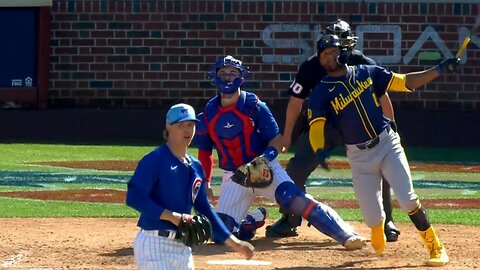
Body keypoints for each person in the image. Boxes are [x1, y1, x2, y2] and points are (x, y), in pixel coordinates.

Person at [307, 33, 457, 266]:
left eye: (334, 50)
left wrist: (439, 68)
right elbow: (316, 126)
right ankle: (377, 226)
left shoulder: (366, 72)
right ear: (320, 60)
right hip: (358, 156)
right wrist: (318, 149)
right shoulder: (320, 92)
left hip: (387, 144)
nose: (331, 55)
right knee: (372, 217)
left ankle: (435, 246)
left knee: (408, 200)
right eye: (325, 53)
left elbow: (406, 82)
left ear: (343, 51)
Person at [193, 55, 366, 250]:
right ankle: (253, 219)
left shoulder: (255, 106)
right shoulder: (208, 113)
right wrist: (205, 183)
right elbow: (205, 151)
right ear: (215, 77)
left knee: (292, 197)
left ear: (241, 77)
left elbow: (277, 141)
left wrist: (260, 162)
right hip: (235, 176)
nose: (227, 77)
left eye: (233, 73)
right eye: (223, 73)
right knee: (221, 234)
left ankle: (346, 234)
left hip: (263, 167)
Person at [266, 19, 401, 242]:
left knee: (382, 167)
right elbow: (296, 101)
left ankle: (386, 220)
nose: (337, 51)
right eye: (329, 49)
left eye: (344, 42)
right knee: (296, 170)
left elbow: (381, 93)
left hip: (361, 126)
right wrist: (287, 133)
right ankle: (290, 218)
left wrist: (391, 124)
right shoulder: (312, 66)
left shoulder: (360, 61)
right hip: (324, 127)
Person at [125, 103, 254, 269]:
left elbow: (204, 209)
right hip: (154, 243)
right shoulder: (155, 160)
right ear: (169, 127)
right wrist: (172, 216)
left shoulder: (195, 166)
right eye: (181, 125)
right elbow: (134, 197)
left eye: (191, 125)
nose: (187, 131)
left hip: (183, 246)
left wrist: (234, 242)